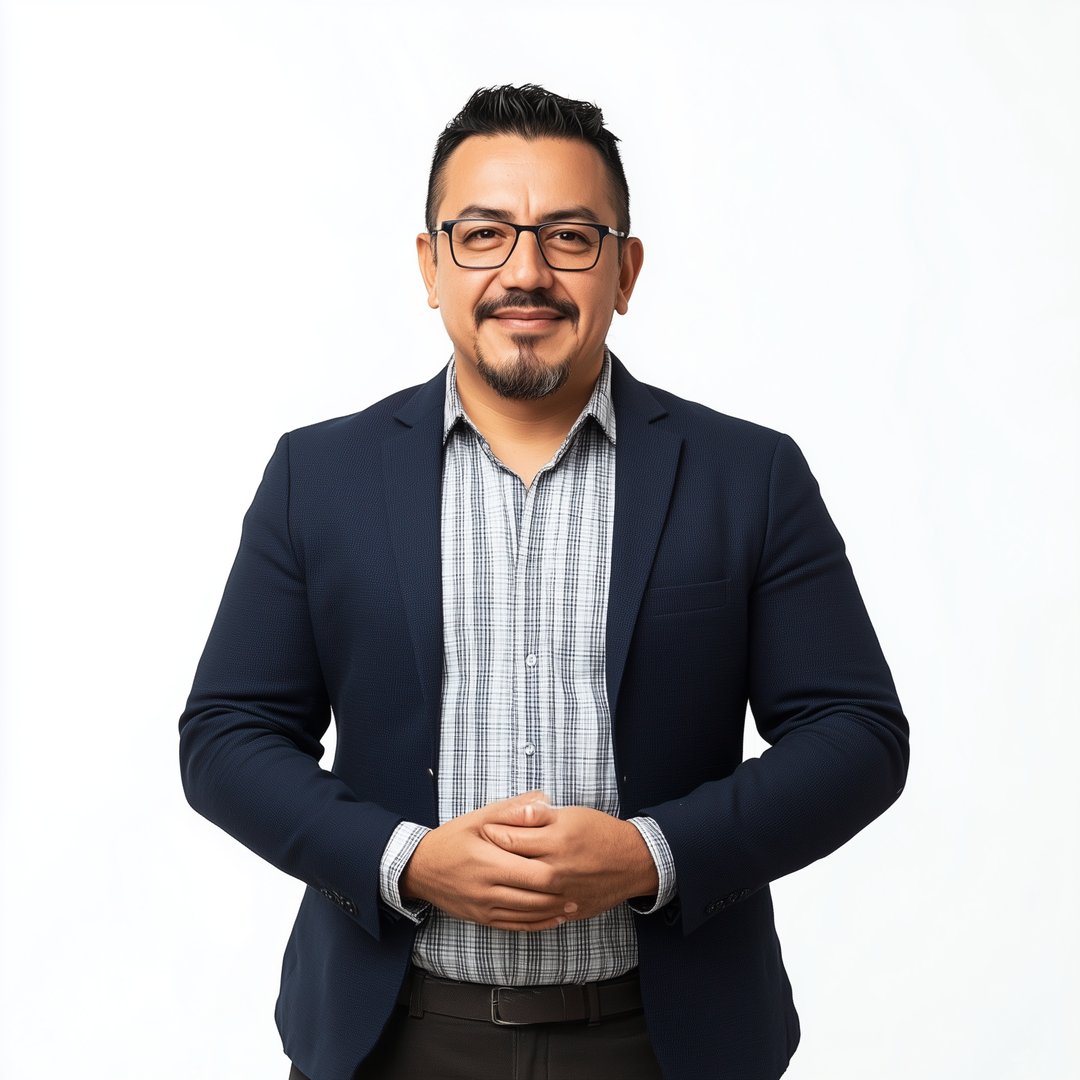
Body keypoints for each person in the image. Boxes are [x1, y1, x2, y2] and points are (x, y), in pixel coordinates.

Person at [179, 84, 909, 1080]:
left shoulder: (749, 476)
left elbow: (856, 734)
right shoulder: (321, 476)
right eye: (483, 234)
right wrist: (404, 861)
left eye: (569, 237)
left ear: (625, 270)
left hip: (668, 1043)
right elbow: (227, 735)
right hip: (390, 1038)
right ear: (431, 265)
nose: (525, 272)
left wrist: (653, 854)